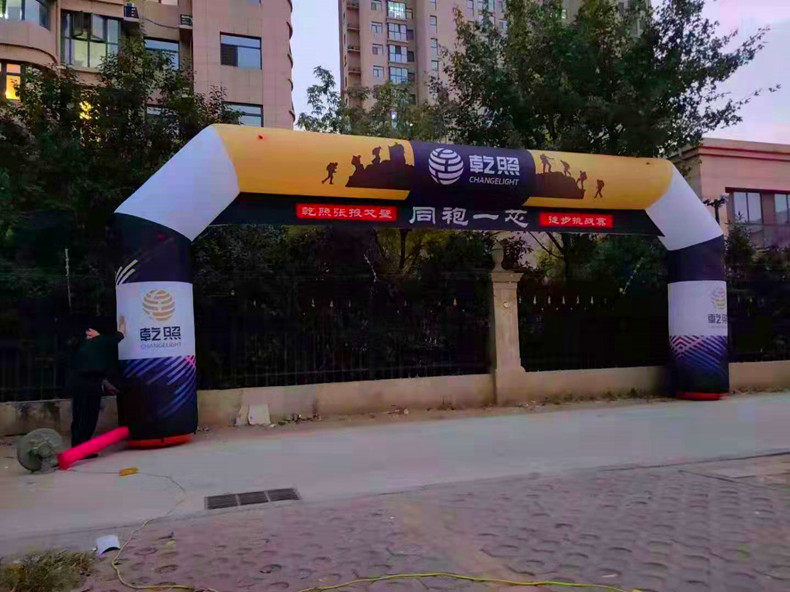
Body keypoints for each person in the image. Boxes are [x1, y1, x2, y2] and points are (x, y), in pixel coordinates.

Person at [67, 317, 126, 447]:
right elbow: (117, 337)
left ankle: (77, 446)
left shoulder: (79, 346)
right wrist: (122, 327)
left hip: (77, 383)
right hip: (90, 384)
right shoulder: (97, 343)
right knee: (89, 416)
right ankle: (83, 447)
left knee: (79, 416)